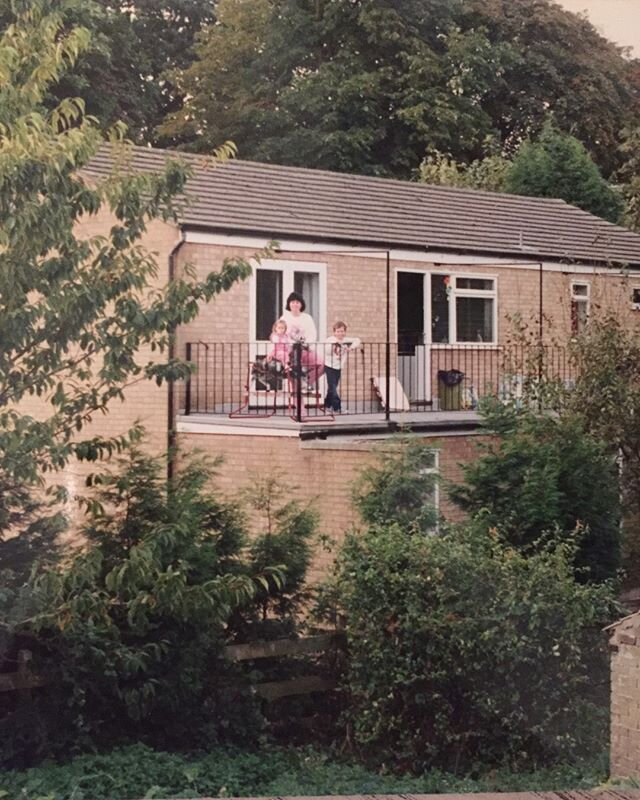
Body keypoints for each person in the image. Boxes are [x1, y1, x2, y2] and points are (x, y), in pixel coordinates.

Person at [280, 291, 324, 387]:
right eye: (292, 302)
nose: (295, 304)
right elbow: (281, 335)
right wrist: (292, 344)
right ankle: (298, 393)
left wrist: (306, 344)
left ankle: (305, 382)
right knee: (294, 379)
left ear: (301, 304)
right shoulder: (284, 318)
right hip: (291, 352)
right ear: (289, 304)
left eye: (297, 302)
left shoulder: (307, 318)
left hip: (305, 350)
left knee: (321, 364)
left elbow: (312, 334)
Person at [323, 321, 361, 413]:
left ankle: (327, 405)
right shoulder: (330, 340)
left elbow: (357, 340)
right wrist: (335, 344)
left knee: (332, 387)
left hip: (338, 367)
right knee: (333, 387)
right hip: (329, 366)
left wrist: (351, 348)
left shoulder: (345, 340)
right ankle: (337, 408)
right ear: (334, 332)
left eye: (342, 331)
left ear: (345, 332)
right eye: (338, 331)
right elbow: (327, 351)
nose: (340, 333)